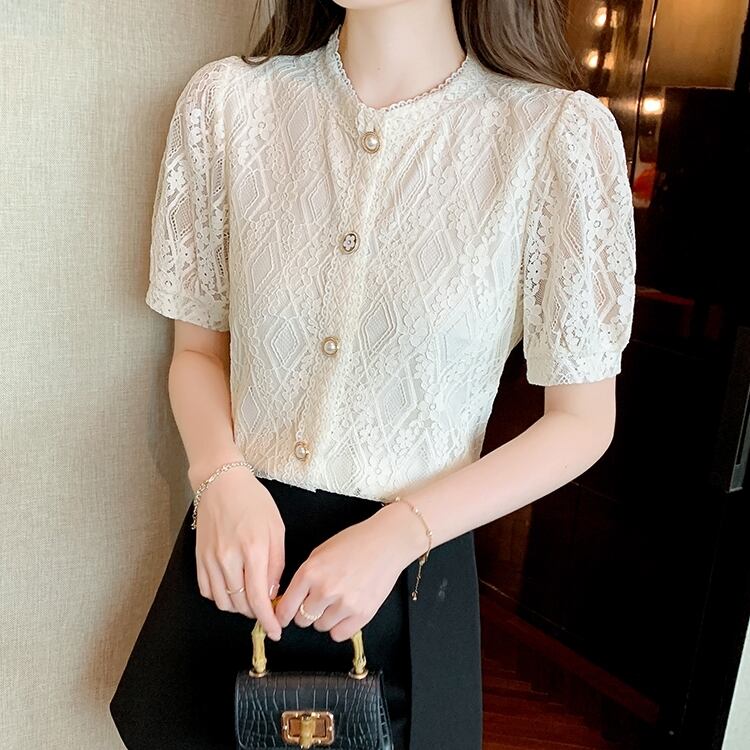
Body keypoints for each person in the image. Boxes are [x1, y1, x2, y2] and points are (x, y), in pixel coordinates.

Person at [109, 2, 637, 749]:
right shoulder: (228, 105)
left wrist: (399, 533)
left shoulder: (556, 138)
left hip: (411, 579)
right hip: (235, 558)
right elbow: (198, 351)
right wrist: (218, 475)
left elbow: (581, 421)